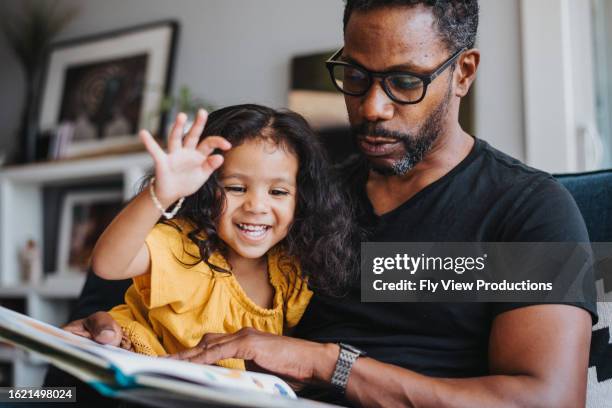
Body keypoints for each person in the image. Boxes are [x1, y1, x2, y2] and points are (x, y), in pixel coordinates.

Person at [64, 1, 597, 406]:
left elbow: (545, 400)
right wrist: (107, 327)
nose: (372, 107)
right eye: (356, 76)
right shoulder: (303, 197)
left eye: (406, 81)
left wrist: (327, 364)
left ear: (463, 73)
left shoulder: (526, 210)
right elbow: (192, 277)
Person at [66, 104, 357, 370]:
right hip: (137, 361)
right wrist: (162, 193)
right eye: (236, 188)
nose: (256, 206)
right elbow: (108, 265)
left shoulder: (291, 269)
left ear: (302, 199)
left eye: (278, 192)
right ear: (205, 189)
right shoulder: (185, 245)